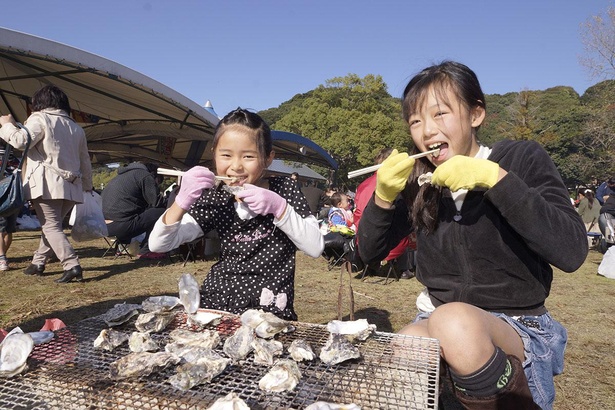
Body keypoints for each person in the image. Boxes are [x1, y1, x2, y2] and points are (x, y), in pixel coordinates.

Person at [357, 61, 587, 409]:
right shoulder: (423, 182)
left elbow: (571, 251)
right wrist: (384, 197)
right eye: (416, 121)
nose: (427, 131)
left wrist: (496, 180)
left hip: (517, 322)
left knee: (454, 321)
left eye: (440, 114)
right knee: (407, 345)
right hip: (438, 317)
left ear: (476, 114)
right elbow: (369, 253)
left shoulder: (520, 158)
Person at [149, 108, 324, 320]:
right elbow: (158, 244)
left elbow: (315, 247)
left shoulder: (284, 190)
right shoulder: (216, 196)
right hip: (217, 303)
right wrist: (181, 201)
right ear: (214, 153)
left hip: (269, 307)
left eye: (248, 156)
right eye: (226, 155)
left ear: (268, 158)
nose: (236, 167)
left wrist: (280, 208)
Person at [0, 85, 93, 283]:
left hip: (47, 183)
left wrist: (7, 125)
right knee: (52, 226)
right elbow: (85, 160)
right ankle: (38, 262)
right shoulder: (77, 128)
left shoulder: (40, 118)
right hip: (72, 185)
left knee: (51, 226)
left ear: (39, 102)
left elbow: (20, 140)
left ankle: (72, 264)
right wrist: (87, 186)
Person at [353, 147, 415, 279]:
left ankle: (372, 267)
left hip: (363, 240)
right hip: (390, 245)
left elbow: (357, 214)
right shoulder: (401, 182)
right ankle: (405, 268)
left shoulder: (363, 184)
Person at [102, 162, 166, 259]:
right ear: (154, 175)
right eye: (157, 183)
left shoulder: (122, 176)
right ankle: (146, 250)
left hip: (103, 225)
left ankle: (121, 249)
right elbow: (156, 202)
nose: (156, 186)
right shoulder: (145, 176)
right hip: (121, 227)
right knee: (160, 211)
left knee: (129, 212)